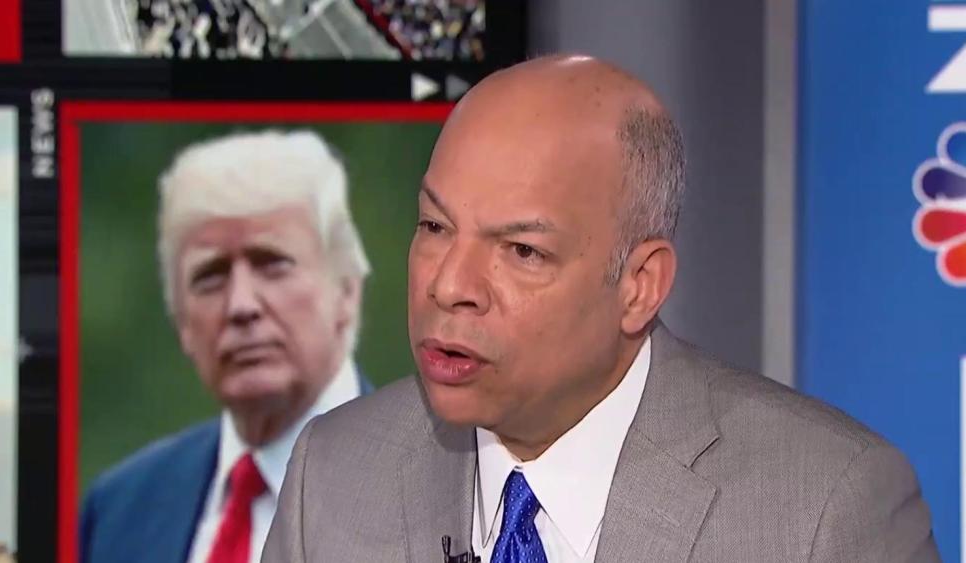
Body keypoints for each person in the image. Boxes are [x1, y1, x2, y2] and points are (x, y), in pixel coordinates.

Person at [262, 56, 940, 562]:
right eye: (435, 227)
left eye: (522, 251)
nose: (449, 285)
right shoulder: (334, 472)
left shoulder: (824, 510)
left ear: (640, 285)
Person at [80, 130, 373, 563]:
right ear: (182, 321)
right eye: (211, 276)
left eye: (272, 264)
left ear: (346, 291)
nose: (240, 305)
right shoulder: (119, 511)